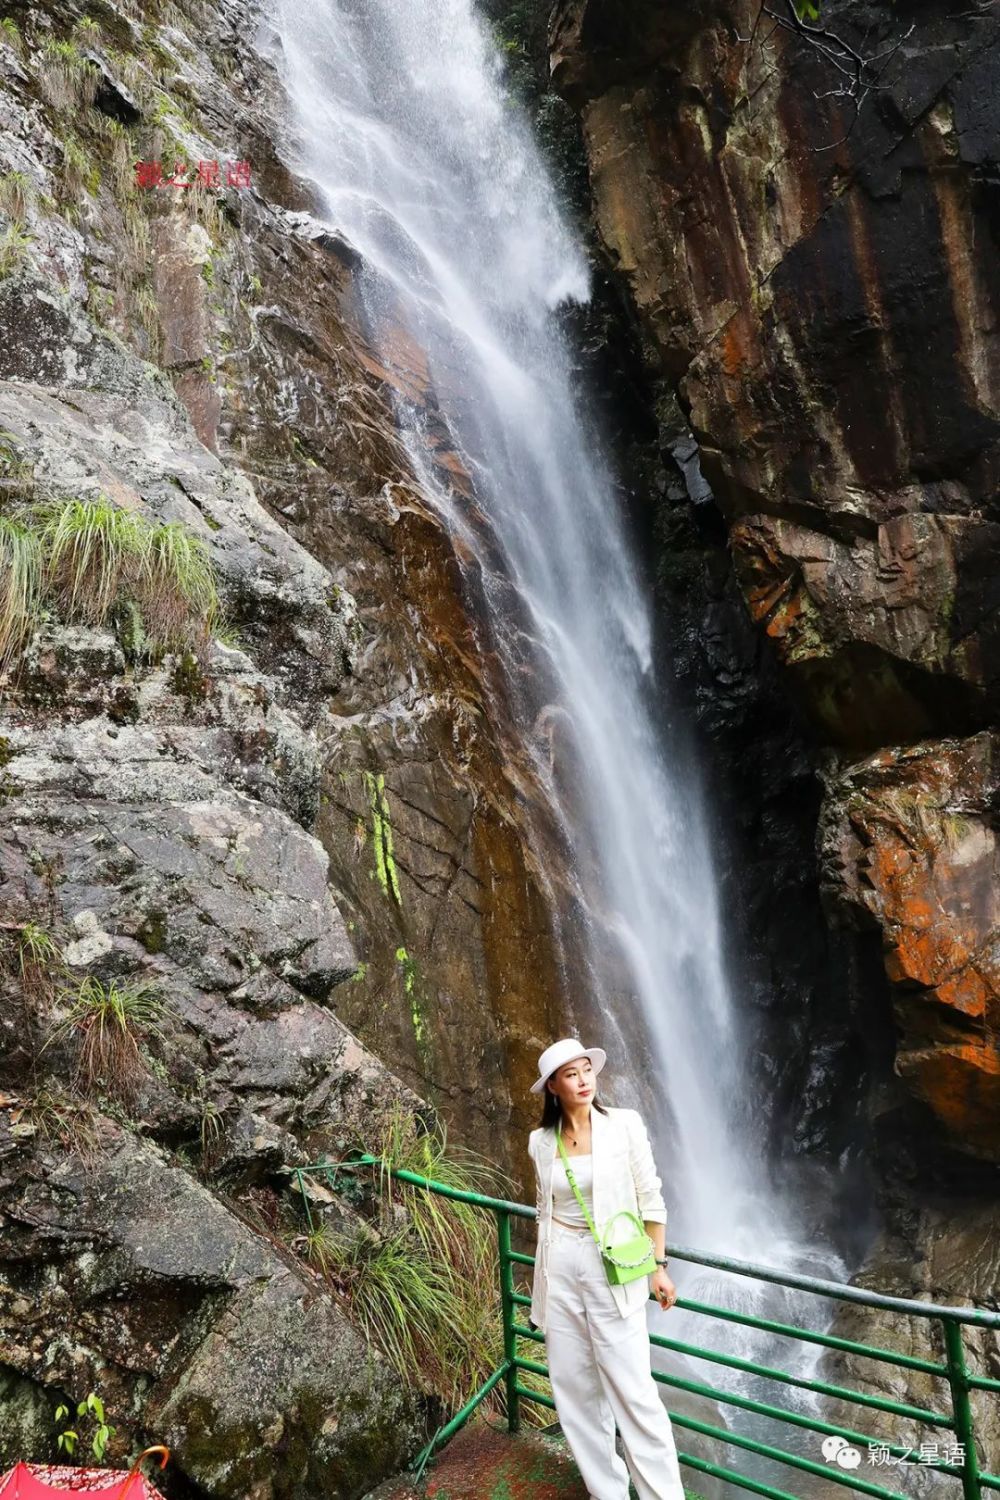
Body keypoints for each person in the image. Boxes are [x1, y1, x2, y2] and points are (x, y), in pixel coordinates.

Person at [527, 1037, 687, 1500]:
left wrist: (658, 1268)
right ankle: (607, 1492)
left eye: (587, 1071)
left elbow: (651, 1199)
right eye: (571, 1074)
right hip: (560, 1268)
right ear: (553, 1086)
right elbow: (544, 1212)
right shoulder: (540, 1142)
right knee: (575, 1392)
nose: (583, 1081)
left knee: (635, 1394)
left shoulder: (624, 1126)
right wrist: (542, 1283)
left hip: (612, 1267)